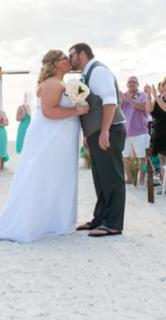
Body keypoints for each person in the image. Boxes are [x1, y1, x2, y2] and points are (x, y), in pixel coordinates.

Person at [0, 50, 89, 242]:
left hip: (59, 138)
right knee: (46, 176)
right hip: (51, 138)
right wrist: (76, 110)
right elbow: (49, 112)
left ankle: (53, 220)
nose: (69, 60)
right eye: (64, 58)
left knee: (55, 177)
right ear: (56, 64)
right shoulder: (52, 82)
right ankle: (44, 221)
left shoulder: (59, 83)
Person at [70, 43, 126, 237]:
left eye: (72, 55)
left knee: (112, 177)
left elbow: (110, 101)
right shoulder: (87, 74)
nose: (70, 60)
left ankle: (113, 223)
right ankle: (100, 218)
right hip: (96, 133)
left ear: (82, 54)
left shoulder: (99, 71)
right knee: (100, 179)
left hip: (109, 130)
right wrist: (89, 134)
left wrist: (104, 131)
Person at [120, 76, 149, 184]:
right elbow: (118, 109)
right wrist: (122, 101)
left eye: (134, 82)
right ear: (127, 84)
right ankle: (130, 178)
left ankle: (141, 179)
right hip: (125, 130)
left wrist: (130, 100)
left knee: (142, 156)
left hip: (139, 130)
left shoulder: (143, 95)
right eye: (129, 82)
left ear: (138, 84)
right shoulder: (123, 95)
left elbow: (144, 107)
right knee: (125, 156)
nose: (132, 83)